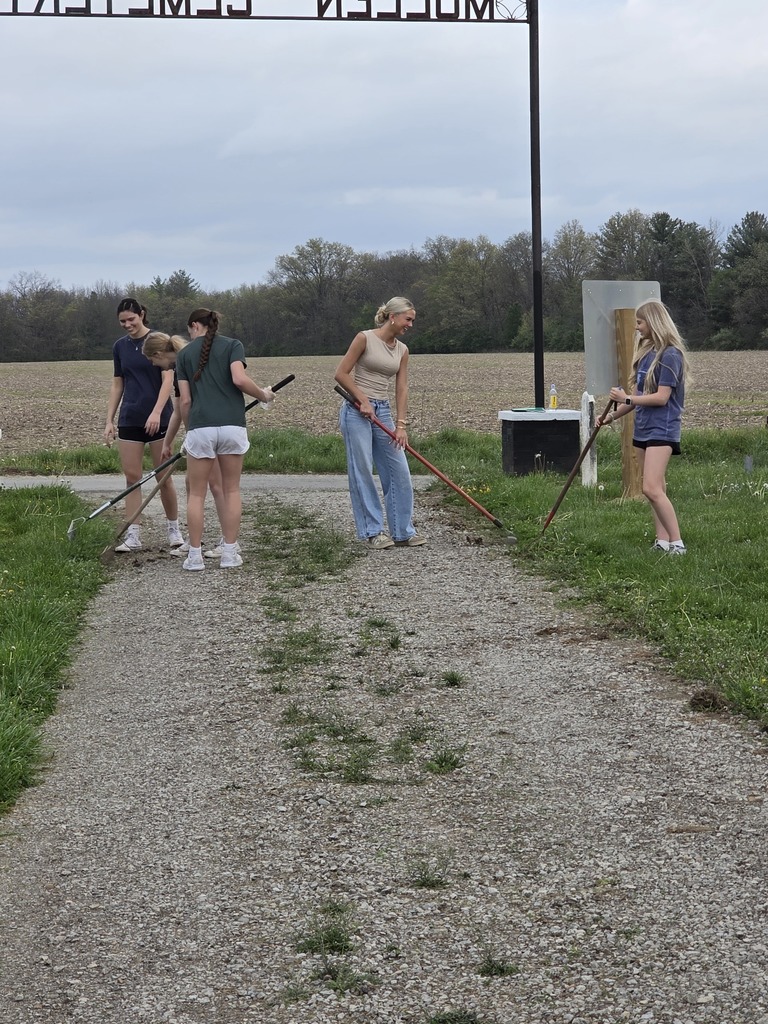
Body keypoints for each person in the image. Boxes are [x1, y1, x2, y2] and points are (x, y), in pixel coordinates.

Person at [174, 308, 274, 571]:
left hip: (200, 428)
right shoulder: (233, 345)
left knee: (196, 493)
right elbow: (239, 379)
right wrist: (263, 396)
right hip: (232, 426)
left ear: (194, 326)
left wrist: (189, 431)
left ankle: (194, 556)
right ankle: (229, 553)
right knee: (231, 490)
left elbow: (185, 401)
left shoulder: (183, 355)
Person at [597, 299, 691, 555]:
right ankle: (662, 542)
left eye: (640, 322)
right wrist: (611, 417)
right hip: (643, 429)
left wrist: (626, 398)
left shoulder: (671, 355)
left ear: (653, 322)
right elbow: (637, 398)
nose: (637, 327)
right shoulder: (645, 355)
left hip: (663, 429)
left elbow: (661, 398)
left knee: (650, 487)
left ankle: (678, 543)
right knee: (654, 489)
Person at [334, 296, 425, 549]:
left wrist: (401, 425)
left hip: (382, 411)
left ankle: (402, 532)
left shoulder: (403, 350)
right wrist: (362, 399)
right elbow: (340, 373)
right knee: (362, 469)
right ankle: (373, 531)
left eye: (413, 320)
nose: (410, 325)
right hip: (356, 411)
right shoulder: (364, 338)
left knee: (399, 471)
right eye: (408, 319)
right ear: (392, 316)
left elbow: (402, 387)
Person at [141, 331, 232, 560]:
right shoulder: (186, 361)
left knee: (216, 486)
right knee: (194, 485)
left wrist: (191, 437)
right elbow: (180, 410)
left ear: (160, 354)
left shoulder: (186, 363)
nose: (154, 365)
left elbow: (187, 404)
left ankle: (228, 541)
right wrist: (169, 442)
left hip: (208, 430)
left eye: (153, 360)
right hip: (207, 429)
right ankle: (194, 541)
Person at [104, 298, 183, 552]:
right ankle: (133, 535)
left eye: (131, 319)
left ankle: (174, 530)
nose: (127, 325)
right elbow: (118, 384)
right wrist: (109, 420)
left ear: (142, 315)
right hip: (130, 417)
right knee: (132, 478)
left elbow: (168, 378)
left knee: (163, 476)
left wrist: (157, 412)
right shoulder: (120, 347)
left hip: (159, 418)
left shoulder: (158, 341)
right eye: (122, 321)